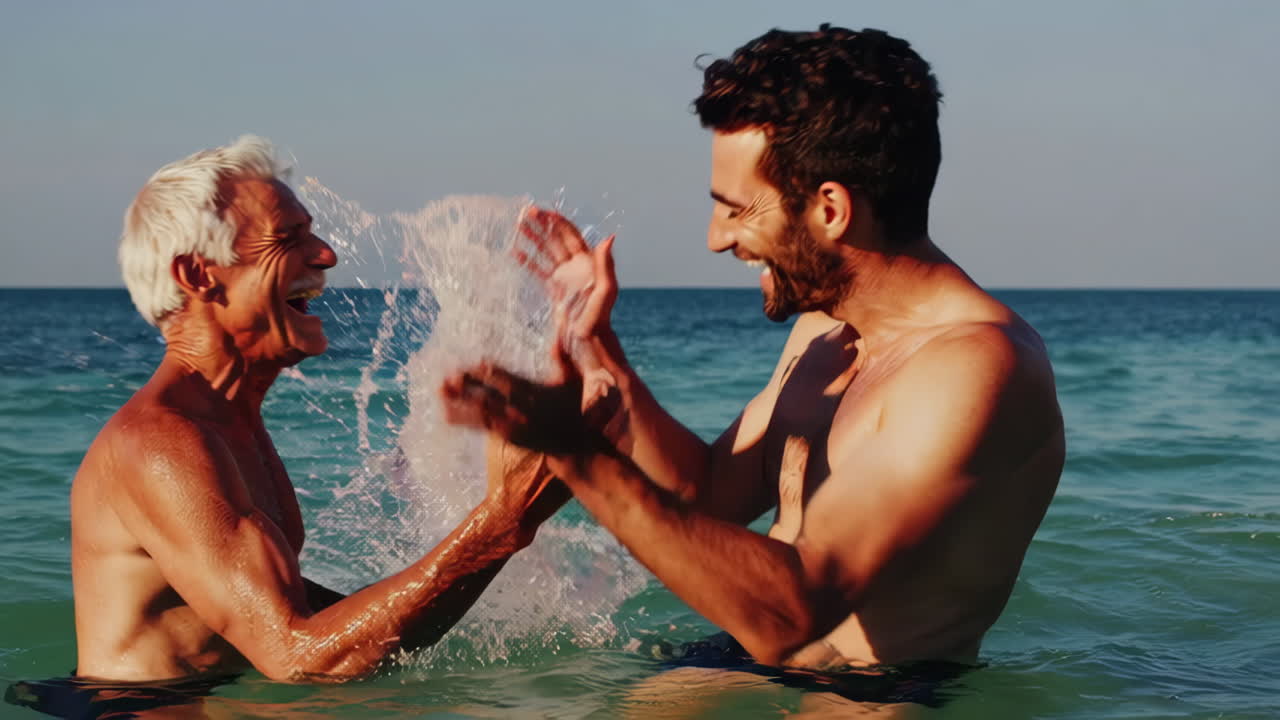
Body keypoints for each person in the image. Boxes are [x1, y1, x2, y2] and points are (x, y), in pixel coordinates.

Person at [441, 24, 1065, 680]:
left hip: (874, 697)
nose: (716, 239)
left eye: (737, 211)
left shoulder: (973, 368)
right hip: (745, 667)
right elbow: (705, 495)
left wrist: (578, 456)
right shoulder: (824, 332)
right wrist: (599, 350)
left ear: (830, 209)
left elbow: (792, 615)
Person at [67, 136, 568, 685]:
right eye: (289, 237)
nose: (326, 254)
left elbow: (318, 628)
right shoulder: (162, 444)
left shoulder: (227, 421)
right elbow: (297, 656)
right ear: (199, 275)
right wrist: (504, 519)